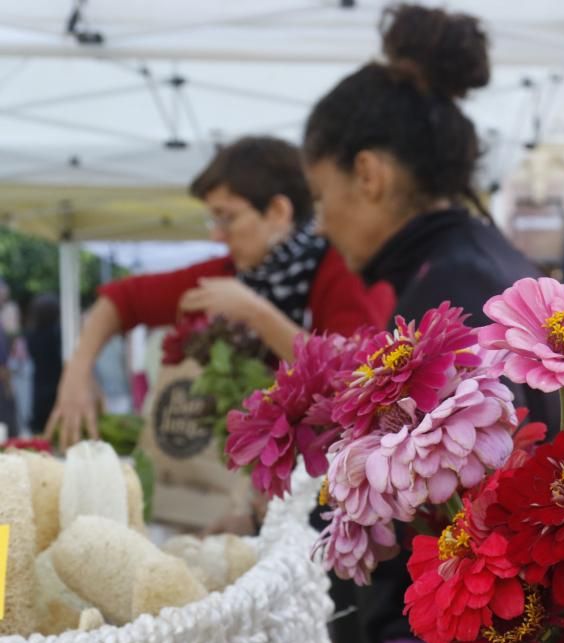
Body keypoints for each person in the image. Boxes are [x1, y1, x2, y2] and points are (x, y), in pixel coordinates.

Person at [303, 2, 552, 643]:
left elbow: (459, 512)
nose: (322, 223)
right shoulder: (485, 266)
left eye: (320, 194)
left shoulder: (452, 295)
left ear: (368, 174)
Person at [45, 136, 392, 446]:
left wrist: (255, 313)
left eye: (226, 218)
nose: (216, 236)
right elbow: (121, 300)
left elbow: (351, 378)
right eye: (213, 220)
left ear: (278, 211)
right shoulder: (233, 274)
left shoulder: (344, 268)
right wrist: (77, 371)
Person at [25, 294, 61, 436]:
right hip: (58, 382)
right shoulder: (59, 333)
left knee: (40, 429)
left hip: (39, 383)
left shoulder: (31, 335)